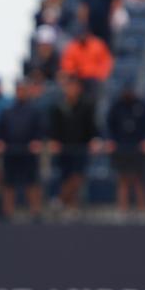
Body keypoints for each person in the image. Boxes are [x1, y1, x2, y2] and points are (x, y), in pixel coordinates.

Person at [46, 74, 101, 216]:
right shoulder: (58, 107)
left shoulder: (86, 105)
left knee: (77, 177)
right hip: (64, 149)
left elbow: (92, 126)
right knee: (66, 176)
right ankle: (70, 206)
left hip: (81, 148)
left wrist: (94, 140)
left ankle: (59, 201)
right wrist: (53, 141)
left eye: (74, 86)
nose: (71, 89)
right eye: (69, 86)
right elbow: (53, 128)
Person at [0, 80, 45, 220]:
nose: (21, 92)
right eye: (19, 90)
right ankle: (7, 212)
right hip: (11, 153)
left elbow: (40, 130)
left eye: (23, 89)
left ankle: (35, 212)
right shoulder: (7, 111)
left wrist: (37, 142)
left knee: (32, 183)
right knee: (8, 184)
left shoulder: (34, 111)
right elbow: (0, 131)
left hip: (29, 154)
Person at [104, 83, 145, 219]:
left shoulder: (141, 105)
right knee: (122, 179)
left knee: (139, 180)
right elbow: (109, 125)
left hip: (138, 148)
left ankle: (142, 210)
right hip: (121, 147)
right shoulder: (117, 106)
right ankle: (122, 210)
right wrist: (110, 140)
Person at [59, 27, 113, 101]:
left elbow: (106, 61)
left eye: (84, 34)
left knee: (96, 90)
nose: (82, 36)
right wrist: (73, 73)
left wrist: (100, 75)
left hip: (94, 78)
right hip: (79, 78)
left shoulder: (97, 45)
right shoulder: (73, 46)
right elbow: (67, 63)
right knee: (70, 87)